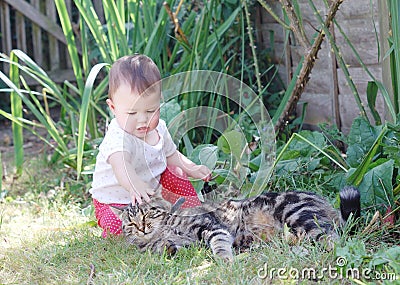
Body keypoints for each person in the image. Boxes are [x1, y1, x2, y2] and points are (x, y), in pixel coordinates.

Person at [90, 54, 211, 238]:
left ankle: (192, 213)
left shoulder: (159, 128)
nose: (142, 120)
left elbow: (172, 155)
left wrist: (192, 167)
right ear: (113, 108)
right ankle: (128, 228)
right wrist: (134, 184)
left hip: (151, 194)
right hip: (115, 202)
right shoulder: (118, 137)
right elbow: (121, 164)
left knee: (175, 172)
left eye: (150, 111)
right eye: (132, 113)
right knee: (119, 229)